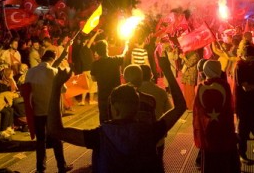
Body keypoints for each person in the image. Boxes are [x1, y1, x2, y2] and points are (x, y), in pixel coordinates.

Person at [46, 51, 186, 173]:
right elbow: (180, 107)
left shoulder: (100, 136)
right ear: (137, 107)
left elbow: (55, 130)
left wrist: (56, 86)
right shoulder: (150, 131)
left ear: (114, 108)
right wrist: (167, 71)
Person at [24, 48, 73, 173]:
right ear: (52, 59)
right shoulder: (54, 71)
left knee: (40, 141)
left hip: (37, 110)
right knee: (57, 138)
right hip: (52, 111)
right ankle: (61, 166)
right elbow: (64, 90)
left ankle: (40, 168)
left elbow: (26, 90)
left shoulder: (30, 72)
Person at [193, 60, 240, 173]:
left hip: (207, 128)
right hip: (223, 127)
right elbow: (229, 107)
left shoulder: (200, 87)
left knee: (209, 156)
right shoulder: (224, 85)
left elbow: (197, 110)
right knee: (224, 154)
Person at [90, 39, 129, 123]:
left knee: (104, 117)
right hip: (115, 94)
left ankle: (104, 133)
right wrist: (126, 46)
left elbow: (93, 79)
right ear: (106, 49)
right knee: (115, 116)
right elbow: (123, 55)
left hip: (103, 95)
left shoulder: (95, 64)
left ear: (97, 51)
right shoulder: (115, 60)